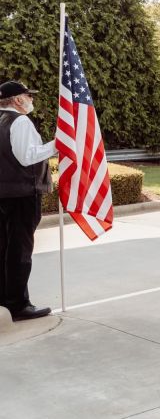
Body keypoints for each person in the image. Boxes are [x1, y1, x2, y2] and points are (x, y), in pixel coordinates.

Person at [0, 81, 55, 321]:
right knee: (20, 249)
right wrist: (55, 146)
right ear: (16, 100)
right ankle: (19, 304)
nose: (31, 99)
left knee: (4, 248)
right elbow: (27, 157)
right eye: (27, 95)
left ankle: (4, 299)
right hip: (22, 195)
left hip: (4, 195)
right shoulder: (19, 121)